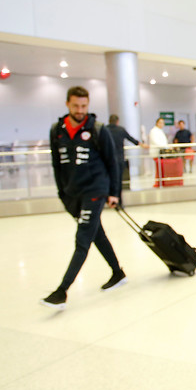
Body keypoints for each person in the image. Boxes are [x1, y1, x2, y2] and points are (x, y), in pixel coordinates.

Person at [41, 86, 127, 310]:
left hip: (95, 190)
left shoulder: (97, 129)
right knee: (97, 234)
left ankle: (62, 291)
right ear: (67, 104)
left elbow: (113, 163)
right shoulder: (57, 130)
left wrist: (114, 193)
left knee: (83, 239)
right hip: (72, 193)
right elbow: (56, 165)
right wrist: (62, 193)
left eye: (84, 106)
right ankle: (118, 273)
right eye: (76, 106)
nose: (80, 110)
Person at [105, 113, 147, 201]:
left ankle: (109, 199)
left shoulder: (105, 130)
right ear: (117, 121)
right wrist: (142, 144)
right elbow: (131, 139)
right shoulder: (121, 130)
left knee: (109, 180)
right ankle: (119, 201)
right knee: (119, 181)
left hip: (108, 160)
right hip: (120, 159)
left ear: (109, 121)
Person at [148, 117, 167, 187]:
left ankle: (161, 182)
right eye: (160, 123)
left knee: (161, 169)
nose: (162, 124)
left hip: (161, 152)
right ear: (157, 123)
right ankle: (158, 183)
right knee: (158, 169)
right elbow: (156, 142)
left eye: (163, 123)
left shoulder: (160, 131)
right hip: (157, 153)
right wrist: (165, 147)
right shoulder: (153, 131)